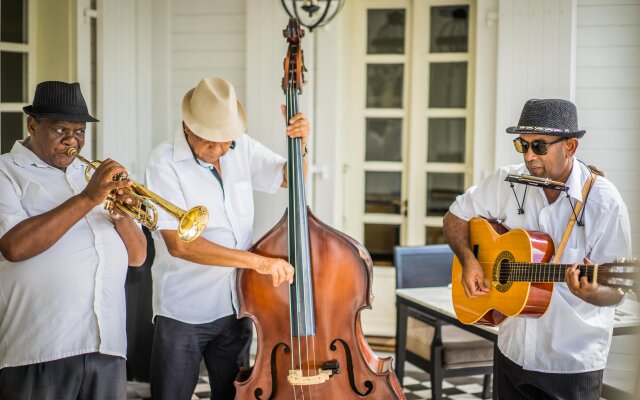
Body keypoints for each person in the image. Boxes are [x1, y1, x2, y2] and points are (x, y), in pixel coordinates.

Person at [443, 98, 632, 400]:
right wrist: (469, 261)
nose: (529, 156)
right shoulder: (507, 181)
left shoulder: (605, 202)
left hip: (570, 362)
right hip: (512, 349)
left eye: (540, 146)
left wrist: (592, 292)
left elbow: (616, 293)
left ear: (570, 146)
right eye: (523, 144)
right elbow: (455, 216)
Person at [145, 77, 308, 400]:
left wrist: (301, 143)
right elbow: (180, 245)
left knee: (233, 396)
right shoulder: (163, 163)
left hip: (236, 306)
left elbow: (291, 178)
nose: (220, 149)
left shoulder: (240, 146)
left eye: (226, 141)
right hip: (183, 311)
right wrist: (258, 262)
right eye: (210, 141)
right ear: (188, 127)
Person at [0, 81, 147, 399]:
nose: (72, 141)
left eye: (79, 131)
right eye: (60, 130)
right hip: (40, 347)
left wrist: (122, 213)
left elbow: (137, 257)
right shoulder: (7, 171)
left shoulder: (88, 177)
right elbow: (14, 246)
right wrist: (88, 198)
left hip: (106, 345)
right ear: (33, 125)